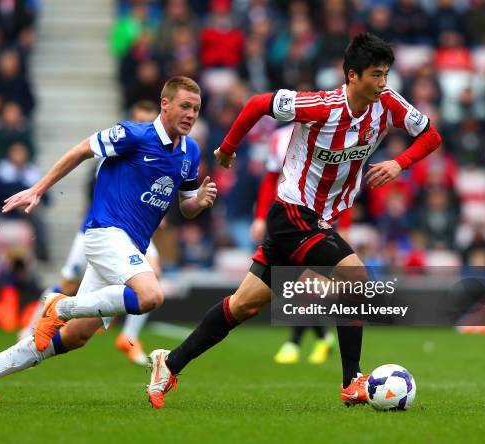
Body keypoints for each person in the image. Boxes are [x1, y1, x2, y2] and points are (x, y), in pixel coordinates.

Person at [145, 33, 442, 409]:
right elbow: (257, 104)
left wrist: (400, 163)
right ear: (352, 75)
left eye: (386, 74)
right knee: (356, 276)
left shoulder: (388, 105)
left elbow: (431, 135)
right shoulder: (320, 106)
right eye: (375, 75)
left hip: (320, 218)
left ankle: (168, 363)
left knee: (242, 306)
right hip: (292, 211)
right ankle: (352, 380)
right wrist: (228, 149)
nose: (383, 83)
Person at [0, 76, 217, 403]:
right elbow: (82, 149)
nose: (191, 114)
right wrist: (38, 189)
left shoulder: (190, 152)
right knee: (151, 295)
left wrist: (200, 202)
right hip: (104, 233)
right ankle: (60, 305)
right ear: (165, 104)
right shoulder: (134, 134)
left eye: (195, 108)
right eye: (184, 106)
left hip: (129, 245)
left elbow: (187, 206)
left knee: (77, 335)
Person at [17, 101, 162, 366]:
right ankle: (31, 327)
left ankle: (129, 337)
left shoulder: (157, 152)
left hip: (134, 233)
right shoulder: (120, 150)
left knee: (154, 273)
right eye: (139, 120)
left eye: (148, 121)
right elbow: (99, 193)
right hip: (99, 230)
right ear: (132, 120)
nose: (144, 125)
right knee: (68, 284)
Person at [250, 123, 335, 365]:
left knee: (305, 282)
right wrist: (259, 217)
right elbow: (270, 179)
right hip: (287, 216)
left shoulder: (329, 132)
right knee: (294, 282)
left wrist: (343, 222)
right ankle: (322, 337)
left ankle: (295, 343)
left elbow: (341, 178)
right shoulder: (278, 138)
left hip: (317, 217)